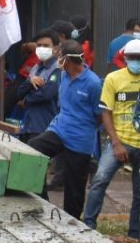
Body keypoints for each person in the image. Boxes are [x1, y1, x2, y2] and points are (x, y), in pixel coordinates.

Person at [27, 40, 102, 220]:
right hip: (59, 129)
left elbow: (99, 115)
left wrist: (86, 128)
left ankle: (73, 222)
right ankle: (42, 200)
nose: (57, 59)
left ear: (68, 59)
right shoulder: (63, 76)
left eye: (60, 56)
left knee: (74, 188)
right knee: (32, 149)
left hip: (80, 138)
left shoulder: (92, 83)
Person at [84, 39, 140, 239]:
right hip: (120, 141)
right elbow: (106, 112)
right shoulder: (113, 79)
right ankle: (88, 226)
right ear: (125, 59)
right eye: (132, 58)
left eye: (139, 58)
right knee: (99, 180)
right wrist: (115, 143)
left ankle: (135, 236)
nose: (136, 61)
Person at [15, 30, 61, 145]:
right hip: (28, 124)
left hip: (45, 126)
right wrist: (30, 82)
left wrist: (26, 100)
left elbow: (47, 94)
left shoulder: (57, 69)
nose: (41, 48)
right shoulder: (36, 67)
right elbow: (20, 92)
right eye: (39, 45)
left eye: (46, 46)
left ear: (55, 49)